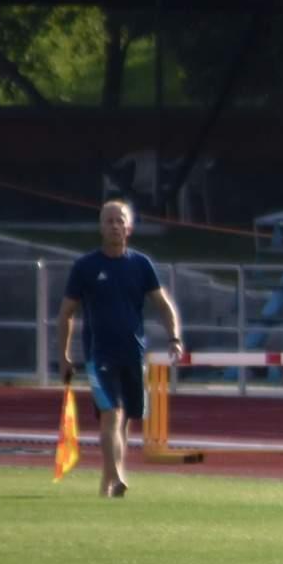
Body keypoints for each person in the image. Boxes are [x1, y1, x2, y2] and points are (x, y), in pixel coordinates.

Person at [56, 199, 184, 498]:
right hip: (99, 355)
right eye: (109, 221)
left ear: (129, 226)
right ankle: (118, 476)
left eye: (120, 220)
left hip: (132, 353)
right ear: (101, 227)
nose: (115, 226)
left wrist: (174, 338)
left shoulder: (140, 265)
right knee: (111, 414)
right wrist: (62, 356)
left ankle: (107, 484)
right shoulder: (86, 267)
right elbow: (66, 313)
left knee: (124, 419)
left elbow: (164, 305)